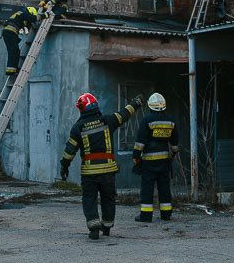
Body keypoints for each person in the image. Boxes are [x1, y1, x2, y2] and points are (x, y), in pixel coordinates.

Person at [60, 92, 141, 240]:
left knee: (89, 199)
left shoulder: (78, 127)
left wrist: (64, 167)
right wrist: (136, 103)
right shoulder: (108, 120)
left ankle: (94, 229)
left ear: (82, 109)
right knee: (108, 198)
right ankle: (107, 227)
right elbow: (124, 114)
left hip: (89, 173)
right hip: (108, 171)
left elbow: (69, 151)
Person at [132, 93, 180, 223]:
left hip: (148, 161)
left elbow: (140, 142)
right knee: (164, 187)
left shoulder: (147, 120)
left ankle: (146, 216)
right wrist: (173, 155)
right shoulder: (171, 121)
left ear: (150, 106)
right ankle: (166, 214)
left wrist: (135, 157)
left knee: (147, 188)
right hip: (164, 160)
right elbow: (175, 143)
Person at [1, 5, 38, 75]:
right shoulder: (24, 13)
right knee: (14, 51)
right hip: (10, 32)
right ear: (31, 12)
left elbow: (26, 24)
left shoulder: (20, 14)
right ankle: (11, 70)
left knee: (13, 51)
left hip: (7, 32)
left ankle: (12, 69)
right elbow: (33, 18)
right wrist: (44, 15)